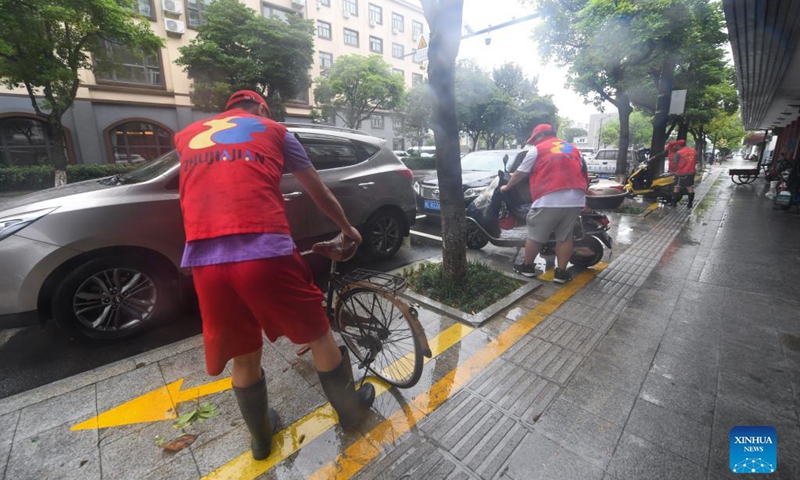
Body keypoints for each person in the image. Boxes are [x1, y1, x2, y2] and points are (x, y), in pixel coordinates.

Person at [174, 90, 374, 460]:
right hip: (263, 250)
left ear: (227, 110)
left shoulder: (187, 136)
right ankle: (350, 411)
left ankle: (261, 439)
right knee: (318, 334)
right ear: (263, 109)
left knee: (244, 353)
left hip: (204, 259)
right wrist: (348, 228)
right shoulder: (276, 131)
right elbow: (320, 193)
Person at [500, 124, 589, 284]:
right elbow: (583, 172)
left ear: (540, 136)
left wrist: (507, 187)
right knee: (564, 237)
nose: (533, 143)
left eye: (534, 139)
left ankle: (527, 267)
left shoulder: (538, 149)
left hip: (549, 198)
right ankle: (561, 273)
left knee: (535, 236)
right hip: (575, 197)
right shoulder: (572, 148)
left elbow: (520, 172)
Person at [669, 139, 697, 208]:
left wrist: (676, 170)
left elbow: (675, 163)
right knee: (690, 188)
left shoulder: (679, 153)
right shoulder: (693, 151)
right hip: (691, 172)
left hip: (681, 173)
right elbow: (696, 161)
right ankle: (690, 204)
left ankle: (674, 203)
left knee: (677, 187)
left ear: (679, 145)